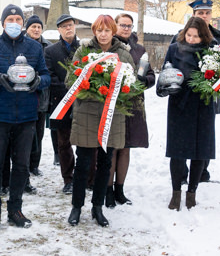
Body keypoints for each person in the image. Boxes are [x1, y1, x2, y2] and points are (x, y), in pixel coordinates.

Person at [0, 4, 50, 231]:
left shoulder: (34, 48)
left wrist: (38, 83)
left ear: (23, 23)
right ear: (3, 23)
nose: (14, 23)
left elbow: (45, 74)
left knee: (22, 166)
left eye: (18, 19)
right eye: (10, 19)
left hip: (26, 116)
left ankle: (15, 210)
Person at [66, 15, 135, 228]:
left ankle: (98, 207)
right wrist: (90, 87)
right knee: (83, 163)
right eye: (99, 30)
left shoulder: (123, 54)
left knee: (105, 164)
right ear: (94, 31)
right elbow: (71, 79)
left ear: (113, 31)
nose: (103, 34)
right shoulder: (83, 51)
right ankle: (76, 207)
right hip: (86, 113)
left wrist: (118, 90)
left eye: (107, 30)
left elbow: (132, 84)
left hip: (112, 117)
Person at [157, 16, 216, 211]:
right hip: (179, 105)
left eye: (196, 36)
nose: (191, 39)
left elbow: (218, 78)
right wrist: (164, 89)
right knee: (177, 151)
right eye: (189, 35)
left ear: (203, 36)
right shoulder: (175, 48)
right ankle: (176, 193)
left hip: (202, 105)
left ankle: (192, 192)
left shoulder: (211, 51)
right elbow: (164, 73)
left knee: (199, 151)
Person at [105, 13, 155, 208]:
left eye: (129, 25)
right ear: (115, 25)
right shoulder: (109, 46)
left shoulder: (139, 49)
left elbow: (150, 74)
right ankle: (107, 191)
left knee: (126, 148)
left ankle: (120, 189)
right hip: (114, 104)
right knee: (113, 148)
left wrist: (146, 80)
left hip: (134, 104)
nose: (126, 28)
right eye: (122, 25)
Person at [179, 0, 220, 183]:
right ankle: (182, 174)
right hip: (185, 96)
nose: (204, 16)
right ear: (194, 15)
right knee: (183, 134)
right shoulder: (183, 35)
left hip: (208, 96)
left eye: (207, 13)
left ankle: (202, 173)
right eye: (200, 13)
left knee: (205, 134)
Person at [44, 14, 80, 193]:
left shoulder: (85, 48)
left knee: (85, 142)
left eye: (71, 25)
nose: (68, 29)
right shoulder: (51, 51)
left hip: (84, 103)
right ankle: (68, 179)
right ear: (59, 29)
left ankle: (87, 177)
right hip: (61, 102)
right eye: (64, 26)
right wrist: (69, 93)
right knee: (64, 143)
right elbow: (50, 76)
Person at [24, 15, 51, 181]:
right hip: (25, 97)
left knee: (39, 134)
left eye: (38, 27)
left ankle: (35, 164)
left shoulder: (48, 46)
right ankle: (24, 164)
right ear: (27, 28)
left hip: (42, 96)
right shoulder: (22, 44)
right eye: (33, 26)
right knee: (26, 134)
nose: (36, 29)